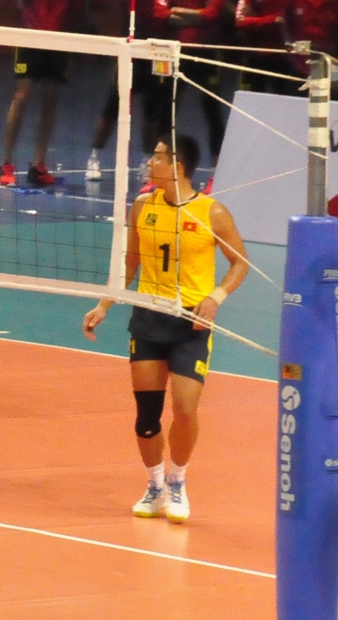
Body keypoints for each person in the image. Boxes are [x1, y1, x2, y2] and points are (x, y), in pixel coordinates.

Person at [82, 135, 248, 523]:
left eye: (157, 157)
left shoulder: (213, 212)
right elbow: (130, 262)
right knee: (147, 416)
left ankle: (178, 480)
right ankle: (155, 484)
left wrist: (216, 297)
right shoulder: (142, 206)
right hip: (149, 316)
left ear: (178, 167)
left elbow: (240, 262)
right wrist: (105, 303)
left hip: (191, 321)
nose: (149, 163)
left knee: (186, 409)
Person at [1, 0, 86, 188]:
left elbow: (76, 2)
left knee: (50, 100)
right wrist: (32, 26)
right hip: (30, 37)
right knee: (22, 95)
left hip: (59, 41)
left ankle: (38, 165)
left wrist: (64, 33)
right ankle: (6, 164)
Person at [85, 0, 177, 177]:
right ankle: (94, 157)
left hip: (158, 53)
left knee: (152, 111)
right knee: (113, 106)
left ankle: (147, 162)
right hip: (131, 51)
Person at [155, 0, 233, 159]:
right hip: (176, 50)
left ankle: (216, 168)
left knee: (212, 110)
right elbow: (160, 12)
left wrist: (179, 11)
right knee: (167, 108)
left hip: (207, 50)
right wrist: (197, 13)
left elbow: (213, 14)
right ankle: (162, 163)